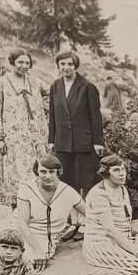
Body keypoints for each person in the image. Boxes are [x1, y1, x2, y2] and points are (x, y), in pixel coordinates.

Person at [0, 48, 49, 207]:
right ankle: (16, 211)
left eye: (27, 63)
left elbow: (55, 92)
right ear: (12, 62)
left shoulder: (35, 82)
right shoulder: (1, 83)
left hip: (34, 137)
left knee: (36, 171)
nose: (24, 66)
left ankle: (36, 209)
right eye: (20, 62)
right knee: (14, 173)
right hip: (12, 138)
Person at [14, 153, 87, 270]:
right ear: (36, 171)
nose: (47, 176)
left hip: (46, 239)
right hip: (25, 233)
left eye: (52, 172)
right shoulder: (26, 188)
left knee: (27, 264)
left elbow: (91, 213)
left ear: (58, 172)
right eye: (43, 171)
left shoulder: (68, 191)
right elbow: (22, 222)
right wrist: (36, 249)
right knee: (5, 256)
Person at [47, 50, 105, 196]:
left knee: (84, 180)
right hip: (62, 141)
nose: (66, 67)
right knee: (64, 179)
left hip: (83, 142)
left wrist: (98, 142)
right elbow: (53, 114)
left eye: (70, 64)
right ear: (58, 66)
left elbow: (96, 116)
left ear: (76, 66)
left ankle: (84, 213)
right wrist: (51, 140)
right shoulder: (55, 86)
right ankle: (68, 214)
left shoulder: (87, 87)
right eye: (62, 64)